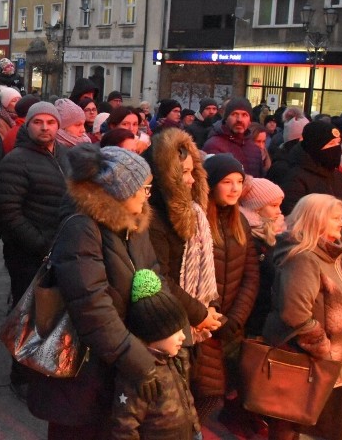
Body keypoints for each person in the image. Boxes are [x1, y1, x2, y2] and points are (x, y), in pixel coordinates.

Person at [28, 145, 160, 439]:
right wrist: (137, 359)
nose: (147, 196)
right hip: (79, 365)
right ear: (121, 190)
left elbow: (153, 274)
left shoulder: (133, 224)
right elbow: (92, 307)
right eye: (144, 188)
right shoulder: (83, 228)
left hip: (111, 358)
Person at [264, 193, 342, 440]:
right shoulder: (304, 258)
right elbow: (295, 313)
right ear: (317, 219)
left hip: (328, 368)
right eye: (336, 218)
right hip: (310, 368)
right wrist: (323, 348)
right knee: (303, 432)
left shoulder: (329, 255)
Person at [0, 101, 67, 397]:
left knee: (52, 311)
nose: (45, 127)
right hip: (27, 252)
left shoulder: (65, 156)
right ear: (28, 125)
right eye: (39, 122)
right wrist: (39, 244)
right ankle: (20, 374)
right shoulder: (16, 161)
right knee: (27, 311)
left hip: (60, 249)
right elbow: (8, 211)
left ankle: (44, 363)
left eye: (51, 122)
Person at [196, 154, 260, 429]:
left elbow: (251, 274)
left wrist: (236, 317)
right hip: (202, 325)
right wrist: (209, 317)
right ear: (211, 185)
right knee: (201, 396)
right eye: (226, 182)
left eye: (239, 182)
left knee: (216, 394)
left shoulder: (240, 222)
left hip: (231, 328)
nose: (235, 188)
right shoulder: (197, 221)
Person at [145, 128, 223, 347]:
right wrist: (199, 313)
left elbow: (203, 267)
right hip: (165, 325)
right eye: (183, 173)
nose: (191, 180)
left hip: (190, 317)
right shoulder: (153, 218)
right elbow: (159, 277)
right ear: (166, 176)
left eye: (192, 171)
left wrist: (212, 305)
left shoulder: (195, 212)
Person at [113, 270, 200, 440]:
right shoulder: (137, 373)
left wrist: (195, 429)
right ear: (155, 333)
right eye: (175, 332)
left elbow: (187, 399)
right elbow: (125, 425)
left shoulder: (176, 359)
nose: (183, 336)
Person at [238, 177, 286, 338]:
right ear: (256, 207)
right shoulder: (247, 234)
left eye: (279, 205)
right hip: (252, 314)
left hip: (268, 310)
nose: (279, 211)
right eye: (273, 206)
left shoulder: (278, 231)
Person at [274, 121, 342, 215]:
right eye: (331, 144)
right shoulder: (295, 177)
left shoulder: (340, 178)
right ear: (316, 146)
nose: (336, 148)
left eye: (338, 143)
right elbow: (294, 214)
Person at [203, 97, 266, 178]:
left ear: (250, 120)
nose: (239, 119)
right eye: (234, 114)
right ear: (226, 119)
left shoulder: (254, 148)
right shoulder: (214, 145)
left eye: (244, 115)